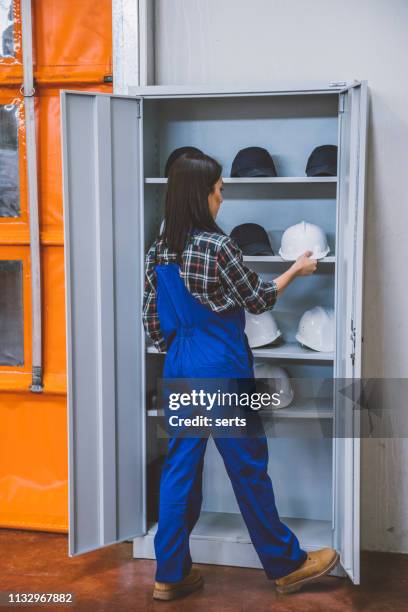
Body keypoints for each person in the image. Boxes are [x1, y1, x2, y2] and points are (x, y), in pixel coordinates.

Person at [142, 151, 339, 601]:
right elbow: (257, 300)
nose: (221, 199)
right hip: (222, 371)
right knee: (248, 468)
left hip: (180, 369)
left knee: (179, 470)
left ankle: (169, 573)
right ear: (202, 195)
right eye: (219, 191)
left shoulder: (159, 250)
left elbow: (151, 321)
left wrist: (181, 349)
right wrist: (296, 269)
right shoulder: (220, 246)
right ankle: (287, 565)